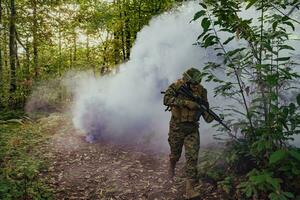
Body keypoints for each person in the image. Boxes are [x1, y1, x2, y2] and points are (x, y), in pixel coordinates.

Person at [163, 67, 214, 199]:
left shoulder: (202, 91)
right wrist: (186, 103)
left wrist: (207, 114)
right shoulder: (177, 86)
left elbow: (204, 107)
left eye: (196, 83)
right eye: (192, 83)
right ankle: (171, 167)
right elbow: (166, 99)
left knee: (192, 157)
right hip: (177, 127)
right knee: (175, 154)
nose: (194, 86)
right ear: (187, 81)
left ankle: (189, 189)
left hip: (192, 128)